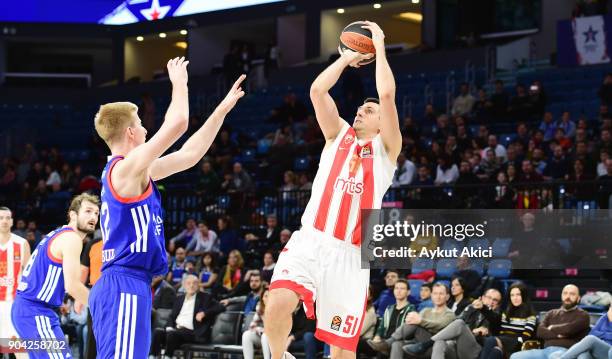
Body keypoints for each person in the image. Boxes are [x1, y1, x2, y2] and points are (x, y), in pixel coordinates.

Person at [89, 57, 246, 358]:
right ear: (130, 133)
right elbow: (178, 125)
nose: (146, 129)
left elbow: (190, 154)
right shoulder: (124, 170)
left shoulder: (136, 172)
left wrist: (221, 110)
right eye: (141, 124)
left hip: (130, 282)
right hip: (122, 281)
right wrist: (179, 83)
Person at [265, 21, 401, 359]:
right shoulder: (338, 135)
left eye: (368, 111)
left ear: (383, 122)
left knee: (341, 352)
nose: (360, 111)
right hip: (311, 240)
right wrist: (347, 58)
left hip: (350, 255)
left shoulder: (387, 151)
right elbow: (316, 91)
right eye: (359, 108)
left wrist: (379, 46)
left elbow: (385, 94)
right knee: (277, 304)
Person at [11, 193, 99, 359]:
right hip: (35, 312)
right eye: (88, 211)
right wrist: (102, 306)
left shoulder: (57, 234)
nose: (93, 216)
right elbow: (72, 285)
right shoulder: (72, 238)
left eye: (96, 213)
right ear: (73, 214)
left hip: (28, 310)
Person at [404, 288, 503, 358]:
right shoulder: (472, 308)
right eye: (489, 297)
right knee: (440, 342)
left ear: (498, 304)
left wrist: (483, 309)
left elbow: (493, 321)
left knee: (459, 323)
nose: (491, 301)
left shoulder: (497, 316)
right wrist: (472, 329)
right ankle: (426, 345)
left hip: (475, 351)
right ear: (482, 298)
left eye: (495, 300)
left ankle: (425, 345)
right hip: (457, 346)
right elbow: (455, 323)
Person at [368, 283, 455, 359]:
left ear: (447, 297)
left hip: (436, 345)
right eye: (435, 293)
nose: (438, 296)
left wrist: (420, 321)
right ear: (431, 295)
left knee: (415, 321)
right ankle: (391, 342)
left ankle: (389, 342)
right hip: (419, 344)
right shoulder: (426, 310)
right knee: (397, 344)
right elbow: (414, 325)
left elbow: (439, 325)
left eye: (441, 294)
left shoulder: (450, 313)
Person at [150, 275, 225, 359]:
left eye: (194, 283)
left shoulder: (205, 297)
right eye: (188, 283)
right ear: (184, 285)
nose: (191, 286)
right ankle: (152, 356)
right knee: (158, 332)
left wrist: (204, 313)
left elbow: (220, 306)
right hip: (176, 331)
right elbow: (172, 316)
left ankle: (168, 356)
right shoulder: (179, 298)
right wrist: (169, 326)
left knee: (172, 334)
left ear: (198, 285)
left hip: (192, 332)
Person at [510, 284, 590, 359]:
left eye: (572, 294)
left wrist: (551, 327)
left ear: (578, 298)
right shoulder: (551, 313)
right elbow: (540, 331)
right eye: (565, 293)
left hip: (566, 351)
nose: (568, 296)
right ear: (561, 296)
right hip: (545, 350)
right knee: (515, 356)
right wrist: (559, 335)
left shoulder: (583, 315)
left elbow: (569, 329)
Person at [479, 282, 536, 359]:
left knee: (491, 340)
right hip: (501, 342)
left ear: (524, 295)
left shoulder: (530, 315)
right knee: (495, 352)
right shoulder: (506, 312)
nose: (515, 298)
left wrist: (513, 342)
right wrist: (482, 308)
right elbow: (493, 318)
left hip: (516, 344)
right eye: (512, 295)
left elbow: (525, 337)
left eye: (518, 295)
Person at [0, 207, 30, 350]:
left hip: (14, 303)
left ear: (12, 221)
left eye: (7, 218)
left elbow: (29, 277)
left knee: (18, 348)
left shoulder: (22, 243)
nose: (4, 221)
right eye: (1, 218)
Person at [367, 279, 416, 353]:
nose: (398, 291)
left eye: (402, 288)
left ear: (408, 292)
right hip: (384, 340)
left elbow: (408, 331)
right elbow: (381, 327)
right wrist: (377, 337)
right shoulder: (389, 308)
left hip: (399, 341)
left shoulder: (411, 309)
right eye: (396, 288)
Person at [80, 229, 103, 359]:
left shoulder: (124, 243)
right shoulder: (93, 244)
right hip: (97, 295)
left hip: (118, 295)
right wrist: (78, 298)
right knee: (92, 337)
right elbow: (83, 271)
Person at [242, 289, 271, 359]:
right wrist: (257, 329)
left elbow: (273, 329)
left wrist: (262, 329)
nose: (268, 298)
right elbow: (252, 326)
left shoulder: (279, 310)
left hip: (276, 339)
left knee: (265, 335)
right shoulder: (259, 308)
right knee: (246, 335)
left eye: (270, 296)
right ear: (262, 298)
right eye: (266, 296)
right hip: (263, 336)